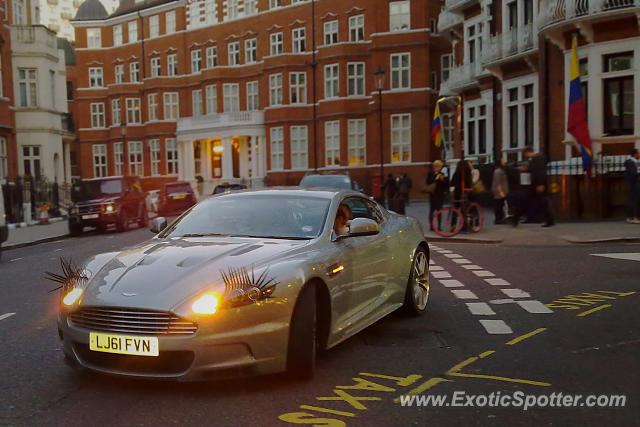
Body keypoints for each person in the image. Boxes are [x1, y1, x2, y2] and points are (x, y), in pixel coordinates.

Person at [522, 146, 554, 227]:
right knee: (538, 202)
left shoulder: (538, 159)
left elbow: (540, 172)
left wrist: (540, 184)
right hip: (536, 184)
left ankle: (548, 220)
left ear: (528, 152)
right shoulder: (537, 158)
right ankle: (537, 219)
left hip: (538, 184)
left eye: (526, 154)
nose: (526, 156)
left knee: (543, 202)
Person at [426, 160, 449, 231]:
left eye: (439, 166)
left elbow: (446, 183)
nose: (437, 168)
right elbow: (428, 182)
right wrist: (435, 177)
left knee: (439, 211)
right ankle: (431, 226)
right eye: (436, 166)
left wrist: (442, 180)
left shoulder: (442, 173)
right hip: (433, 195)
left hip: (439, 195)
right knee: (431, 211)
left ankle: (439, 226)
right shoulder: (431, 173)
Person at [624, 148, 640, 224]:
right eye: (638, 153)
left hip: (634, 184)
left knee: (633, 200)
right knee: (634, 200)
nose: (639, 155)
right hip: (634, 184)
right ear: (635, 154)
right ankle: (632, 217)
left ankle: (630, 217)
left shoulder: (634, 162)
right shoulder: (631, 162)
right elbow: (633, 174)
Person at [492, 158, 509, 224]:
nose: (504, 162)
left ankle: (501, 218)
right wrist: (500, 191)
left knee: (501, 205)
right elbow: (497, 182)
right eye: (502, 161)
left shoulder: (501, 171)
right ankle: (498, 219)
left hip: (501, 191)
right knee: (498, 205)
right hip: (499, 191)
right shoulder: (498, 171)